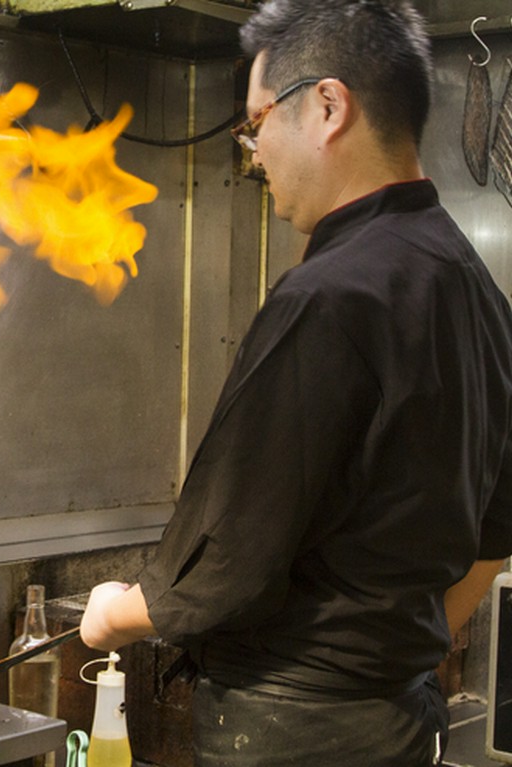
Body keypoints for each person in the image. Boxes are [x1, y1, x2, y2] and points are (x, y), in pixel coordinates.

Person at [79, 1, 512, 764]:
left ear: (326, 104)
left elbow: (235, 550)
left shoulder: (329, 295)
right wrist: (392, 648)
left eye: (256, 123)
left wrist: (115, 616)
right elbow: (502, 520)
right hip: (400, 719)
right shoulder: (473, 286)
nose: (254, 153)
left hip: (294, 730)